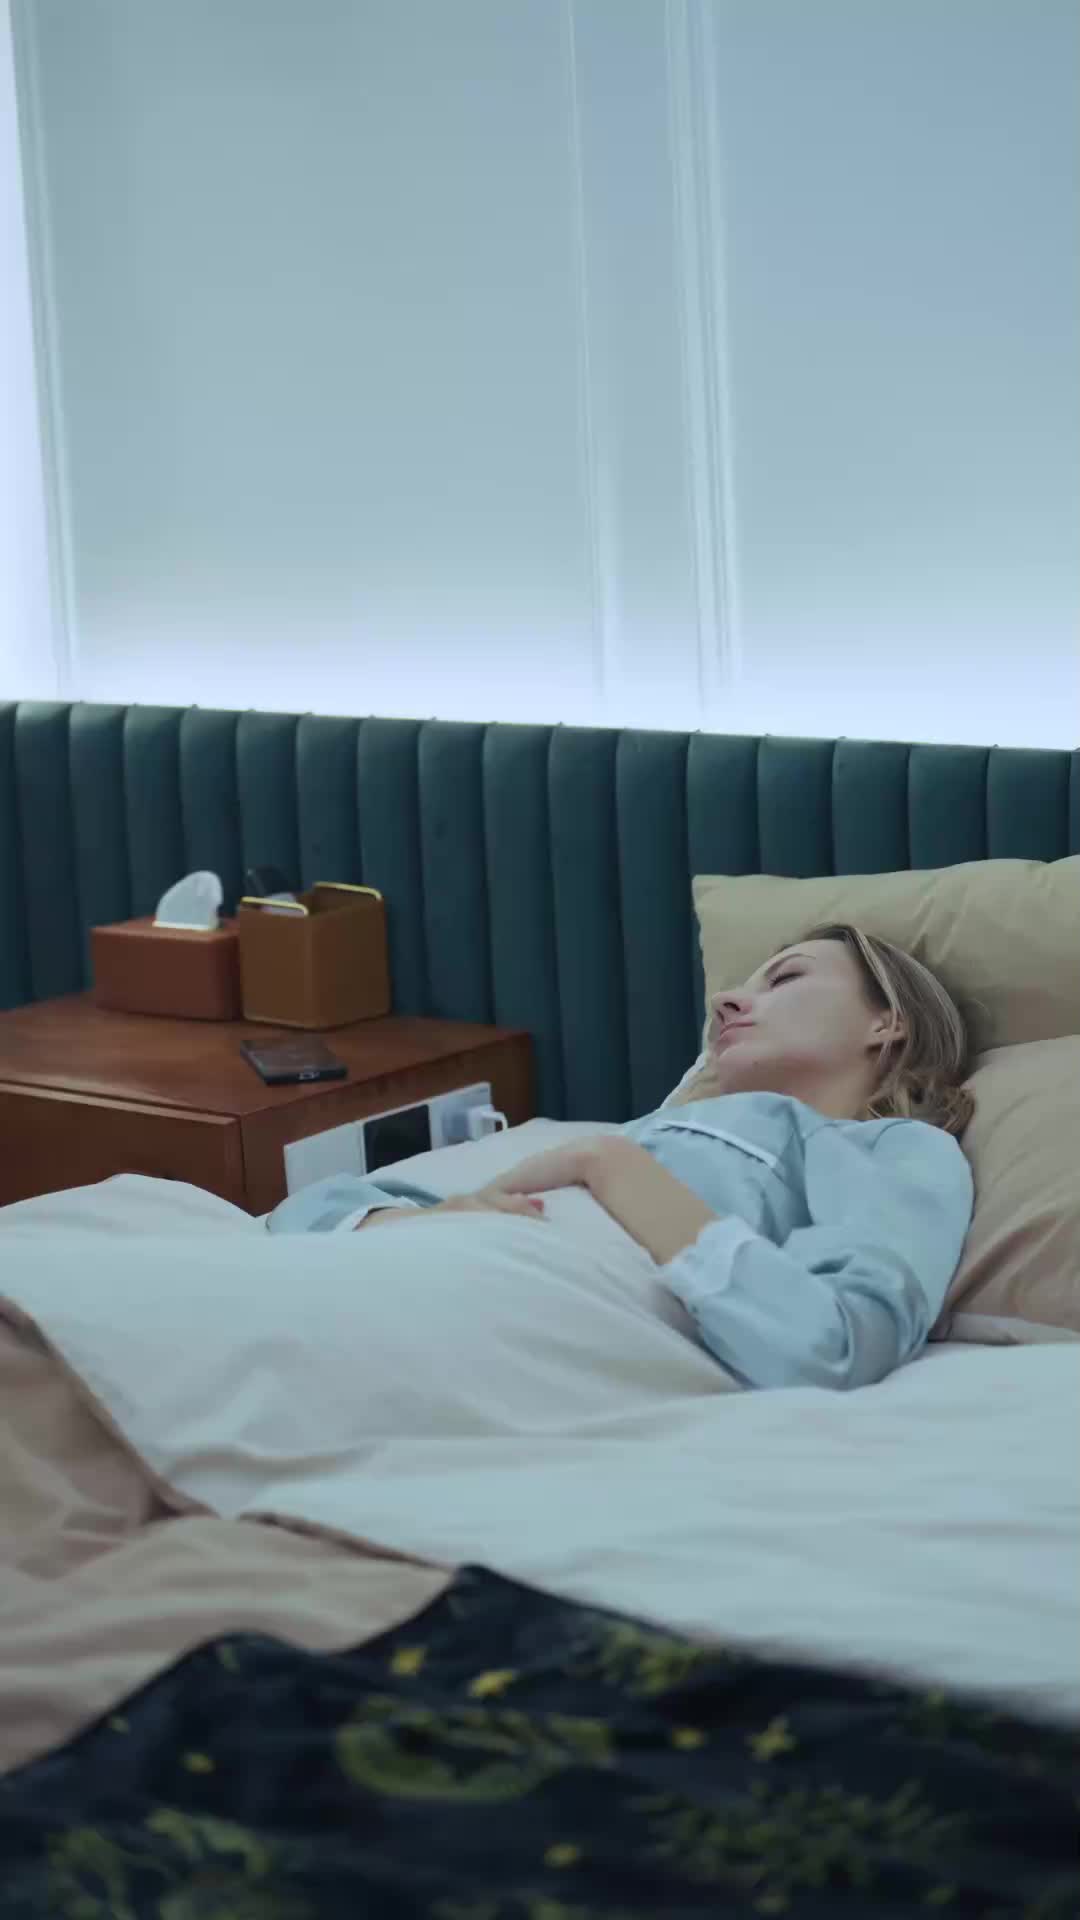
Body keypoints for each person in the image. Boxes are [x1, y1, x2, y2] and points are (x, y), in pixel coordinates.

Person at [267, 924, 976, 1392]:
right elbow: (310, 1209)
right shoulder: (639, 1132)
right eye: (741, 985)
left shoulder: (895, 1148)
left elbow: (833, 1346)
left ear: (887, 1020)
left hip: (525, 1313)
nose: (726, 999)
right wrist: (419, 1223)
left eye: (784, 979)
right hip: (428, 1271)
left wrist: (609, 1166)